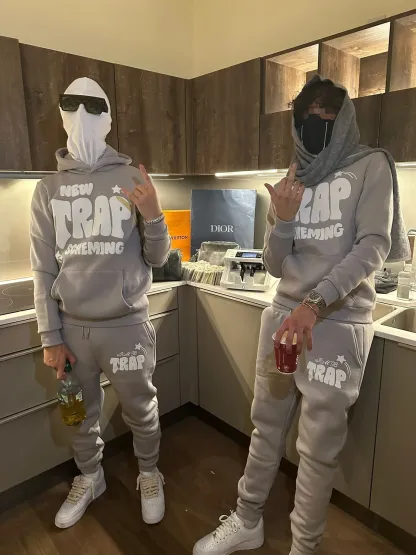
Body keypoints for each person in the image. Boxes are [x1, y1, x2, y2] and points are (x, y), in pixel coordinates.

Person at [193, 75, 410, 555]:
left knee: (317, 450)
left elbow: (374, 246)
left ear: (345, 118)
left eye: (328, 114)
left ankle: (303, 547)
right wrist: (285, 219)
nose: (318, 122)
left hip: (337, 325)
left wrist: (315, 303)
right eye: (308, 115)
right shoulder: (293, 177)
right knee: (265, 426)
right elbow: (274, 265)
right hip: (282, 318)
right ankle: (247, 520)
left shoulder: (371, 165)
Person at [30, 77, 171, 529]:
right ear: (61, 116)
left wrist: (154, 215)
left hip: (125, 324)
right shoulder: (47, 189)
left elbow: (158, 258)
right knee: (77, 414)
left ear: (109, 119)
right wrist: (50, 336)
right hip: (72, 330)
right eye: (72, 106)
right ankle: (91, 477)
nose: (83, 117)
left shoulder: (133, 179)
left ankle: (149, 474)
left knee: (141, 409)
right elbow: (43, 269)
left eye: (94, 107)